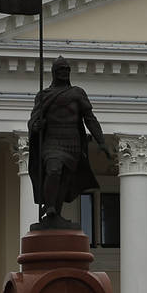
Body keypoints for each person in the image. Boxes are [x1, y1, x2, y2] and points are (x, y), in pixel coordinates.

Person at [28, 56, 112, 227]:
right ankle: (50, 206)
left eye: (67, 69)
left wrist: (101, 141)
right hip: (52, 141)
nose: (64, 73)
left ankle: (55, 214)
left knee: (64, 181)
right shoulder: (44, 95)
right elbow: (33, 119)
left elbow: (90, 119)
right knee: (54, 169)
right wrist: (36, 126)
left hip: (72, 143)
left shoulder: (77, 93)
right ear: (54, 73)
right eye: (61, 70)